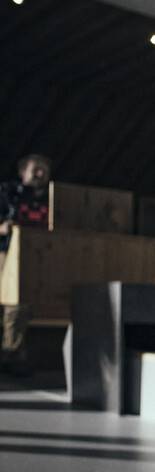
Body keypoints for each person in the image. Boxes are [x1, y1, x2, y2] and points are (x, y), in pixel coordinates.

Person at [0, 154, 52, 377]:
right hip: (4, 252)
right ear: (22, 172)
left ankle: (13, 356)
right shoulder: (6, 193)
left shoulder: (52, 197)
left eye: (44, 170)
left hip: (31, 257)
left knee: (18, 308)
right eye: (35, 170)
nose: (40, 174)